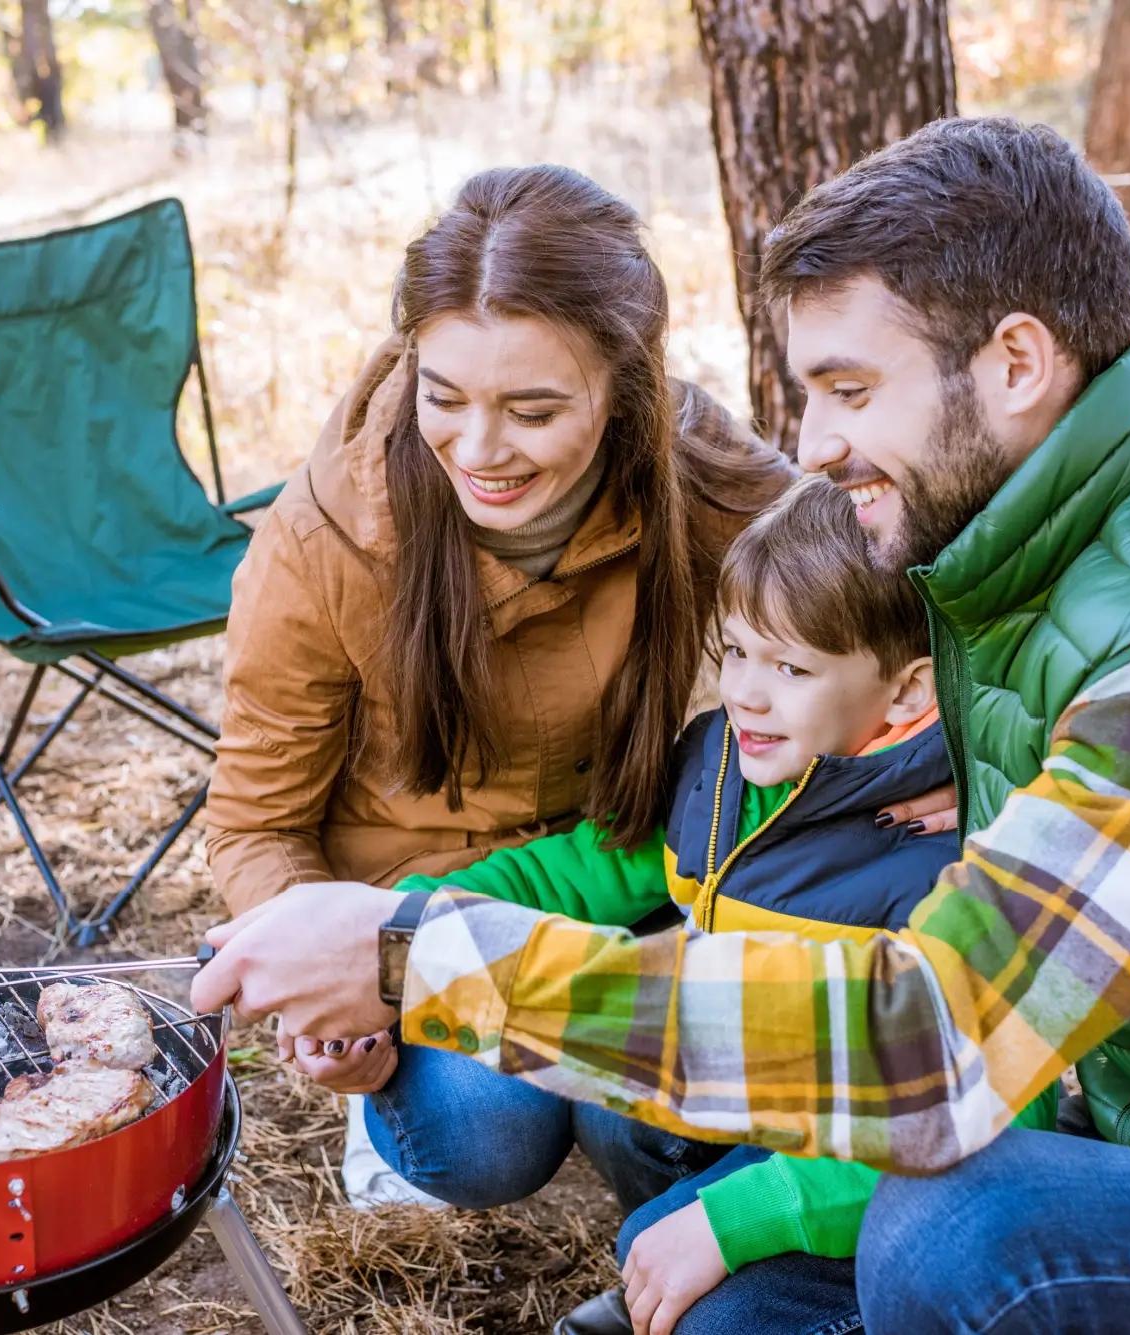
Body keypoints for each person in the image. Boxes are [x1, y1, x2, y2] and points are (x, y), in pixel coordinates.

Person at [194, 116, 1130, 1333]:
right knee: (701, 1262)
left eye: (849, 390)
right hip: (1117, 1103)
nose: (813, 447)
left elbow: (928, 1049)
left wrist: (410, 953)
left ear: (1015, 362)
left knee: (955, 1232)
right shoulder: (1023, 517)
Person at [305, 477, 1054, 1335]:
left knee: (714, 1306)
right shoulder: (724, 764)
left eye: (791, 666)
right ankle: (683, 1244)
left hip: (870, 1164)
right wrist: (391, 922)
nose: (745, 691)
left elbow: (983, 1134)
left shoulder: (945, 852)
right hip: (756, 1097)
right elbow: (580, 874)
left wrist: (746, 1216)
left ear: (910, 690)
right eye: (734, 650)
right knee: (609, 1101)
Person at [201, 164, 806, 1203]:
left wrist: (928, 744)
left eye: (532, 410)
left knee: (646, 1110)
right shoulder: (326, 535)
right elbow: (253, 827)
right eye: (443, 398)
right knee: (486, 1133)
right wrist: (341, 972)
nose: (477, 450)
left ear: (624, 389)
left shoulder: (689, 462)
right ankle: (417, 1100)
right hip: (412, 914)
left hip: (609, 872)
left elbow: (861, 582)